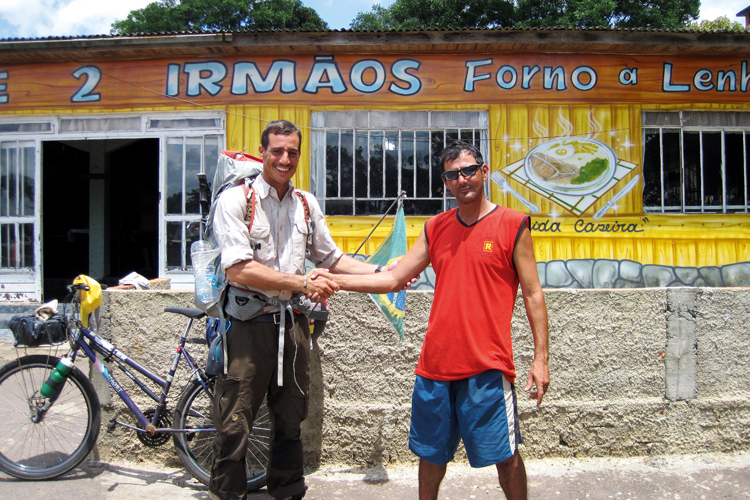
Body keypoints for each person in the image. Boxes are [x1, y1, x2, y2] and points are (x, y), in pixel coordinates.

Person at [325, 140, 550, 500]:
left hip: (488, 366)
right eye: (452, 175)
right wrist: (336, 281)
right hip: (435, 366)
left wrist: (540, 359)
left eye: (469, 171)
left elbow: (533, 293)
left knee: (505, 457)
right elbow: (393, 279)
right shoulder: (435, 228)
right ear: (445, 182)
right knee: (430, 458)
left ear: (484, 171)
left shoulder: (513, 225)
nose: (462, 180)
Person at [209, 120, 388, 500]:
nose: (284, 158)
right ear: (263, 153)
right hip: (246, 327)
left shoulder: (306, 203)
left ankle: (288, 492)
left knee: (292, 419)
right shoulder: (237, 201)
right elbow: (239, 268)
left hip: (292, 326)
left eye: (292, 151)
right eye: (277, 150)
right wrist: (303, 283)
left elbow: (332, 258)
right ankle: (228, 495)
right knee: (235, 424)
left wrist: (384, 272)